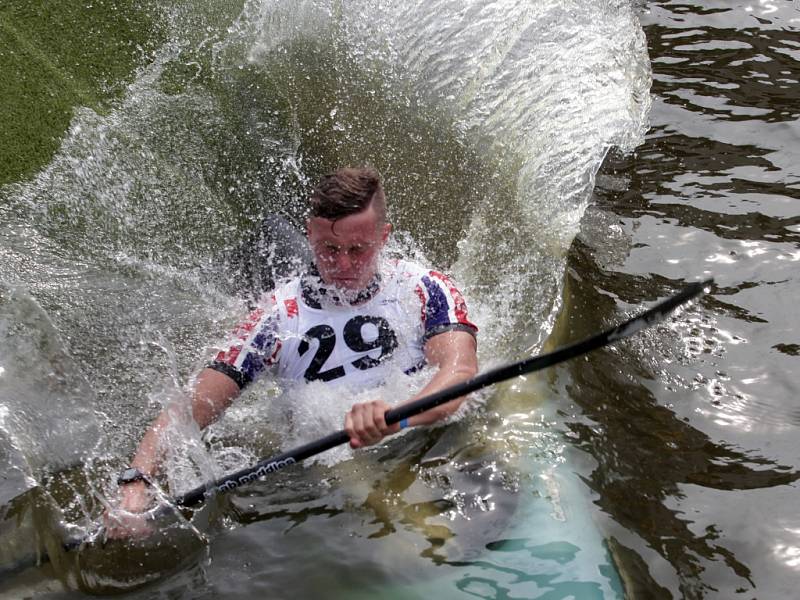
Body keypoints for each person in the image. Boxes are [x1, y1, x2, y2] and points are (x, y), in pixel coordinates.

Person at [107, 167, 478, 537]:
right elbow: (190, 408)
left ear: (383, 238)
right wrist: (135, 484)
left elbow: (459, 375)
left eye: (358, 250)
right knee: (399, 531)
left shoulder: (424, 287)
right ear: (309, 234)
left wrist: (396, 416)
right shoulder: (275, 318)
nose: (344, 265)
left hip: (427, 432)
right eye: (329, 249)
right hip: (338, 465)